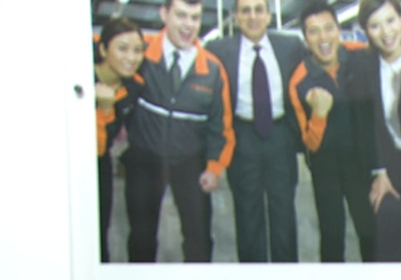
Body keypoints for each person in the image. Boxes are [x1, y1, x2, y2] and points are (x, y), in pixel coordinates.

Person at [123, 0, 235, 263]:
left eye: (195, 18)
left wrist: (214, 167)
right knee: (141, 237)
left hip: (190, 161)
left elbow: (221, 124)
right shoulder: (140, 56)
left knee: (199, 239)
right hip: (144, 159)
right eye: (181, 16)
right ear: (164, 14)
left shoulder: (213, 70)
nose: (188, 25)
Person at [206, 0, 305, 263]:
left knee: (284, 210)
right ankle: (253, 274)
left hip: (281, 136)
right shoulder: (219, 50)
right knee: (247, 212)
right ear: (235, 17)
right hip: (241, 138)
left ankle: (286, 273)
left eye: (259, 10)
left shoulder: (291, 47)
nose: (253, 16)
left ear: (269, 16)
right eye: (245, 10)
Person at [288, 0, 377, 262]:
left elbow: (394, 49)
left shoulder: (360, 54)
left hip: (361, 162)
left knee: (370, 231)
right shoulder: (299, 81)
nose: (323, 38)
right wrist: (319, 115)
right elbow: (309, 143)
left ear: (339, 30)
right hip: (324, 166)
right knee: (332, 235)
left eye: (328, 28)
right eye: (314, 31)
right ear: (305, 38)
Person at [354, 0, 401, 262]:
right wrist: (378, 170)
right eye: (375, 25)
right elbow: (366, 125)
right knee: (386, 221)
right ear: (365, 31)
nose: (386, 32)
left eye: (391, 21)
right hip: (390, 160)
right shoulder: (364, 66)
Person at [94, 17, 145, 263]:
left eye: (137, 50)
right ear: (103, 50)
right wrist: (104, 110)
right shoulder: (80, 77)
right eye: (122, 48)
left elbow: (102, 150)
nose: (131, 58)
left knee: (99, 229)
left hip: (101, 163)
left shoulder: (133, 86)